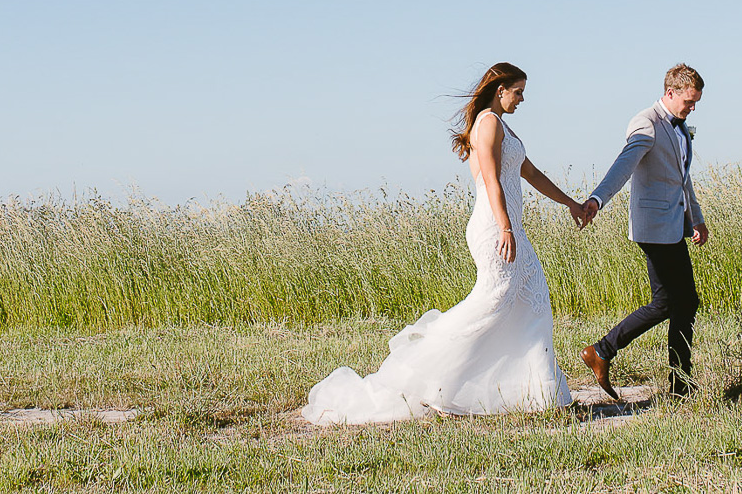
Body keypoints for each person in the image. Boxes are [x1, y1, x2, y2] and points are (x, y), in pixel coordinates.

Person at [302, 63, 589, 423]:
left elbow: (530, 174)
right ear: (500, 90)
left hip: (509, 226)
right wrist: (505, 227)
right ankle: (432, 380)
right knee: (493, 301)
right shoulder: (488, 123)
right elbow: (490, 179)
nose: (522, 98)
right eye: (518, 91)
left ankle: (539, 393)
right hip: (495, 228)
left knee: (532, 300)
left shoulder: (503, 126)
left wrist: (571, 204)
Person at [575, 64, 707, 398]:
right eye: (689, 102)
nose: (692, 108)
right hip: (653, 228)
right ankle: (603, 350)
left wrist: (696, 217)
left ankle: (679, 385)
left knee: (684, 302)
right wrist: (597, 198)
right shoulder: (646, 122)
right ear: (670, 93)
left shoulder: (680, 128)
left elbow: (682, 177)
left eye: (696, 103)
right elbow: (625, 164)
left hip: (674, 225)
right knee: (671, 303)